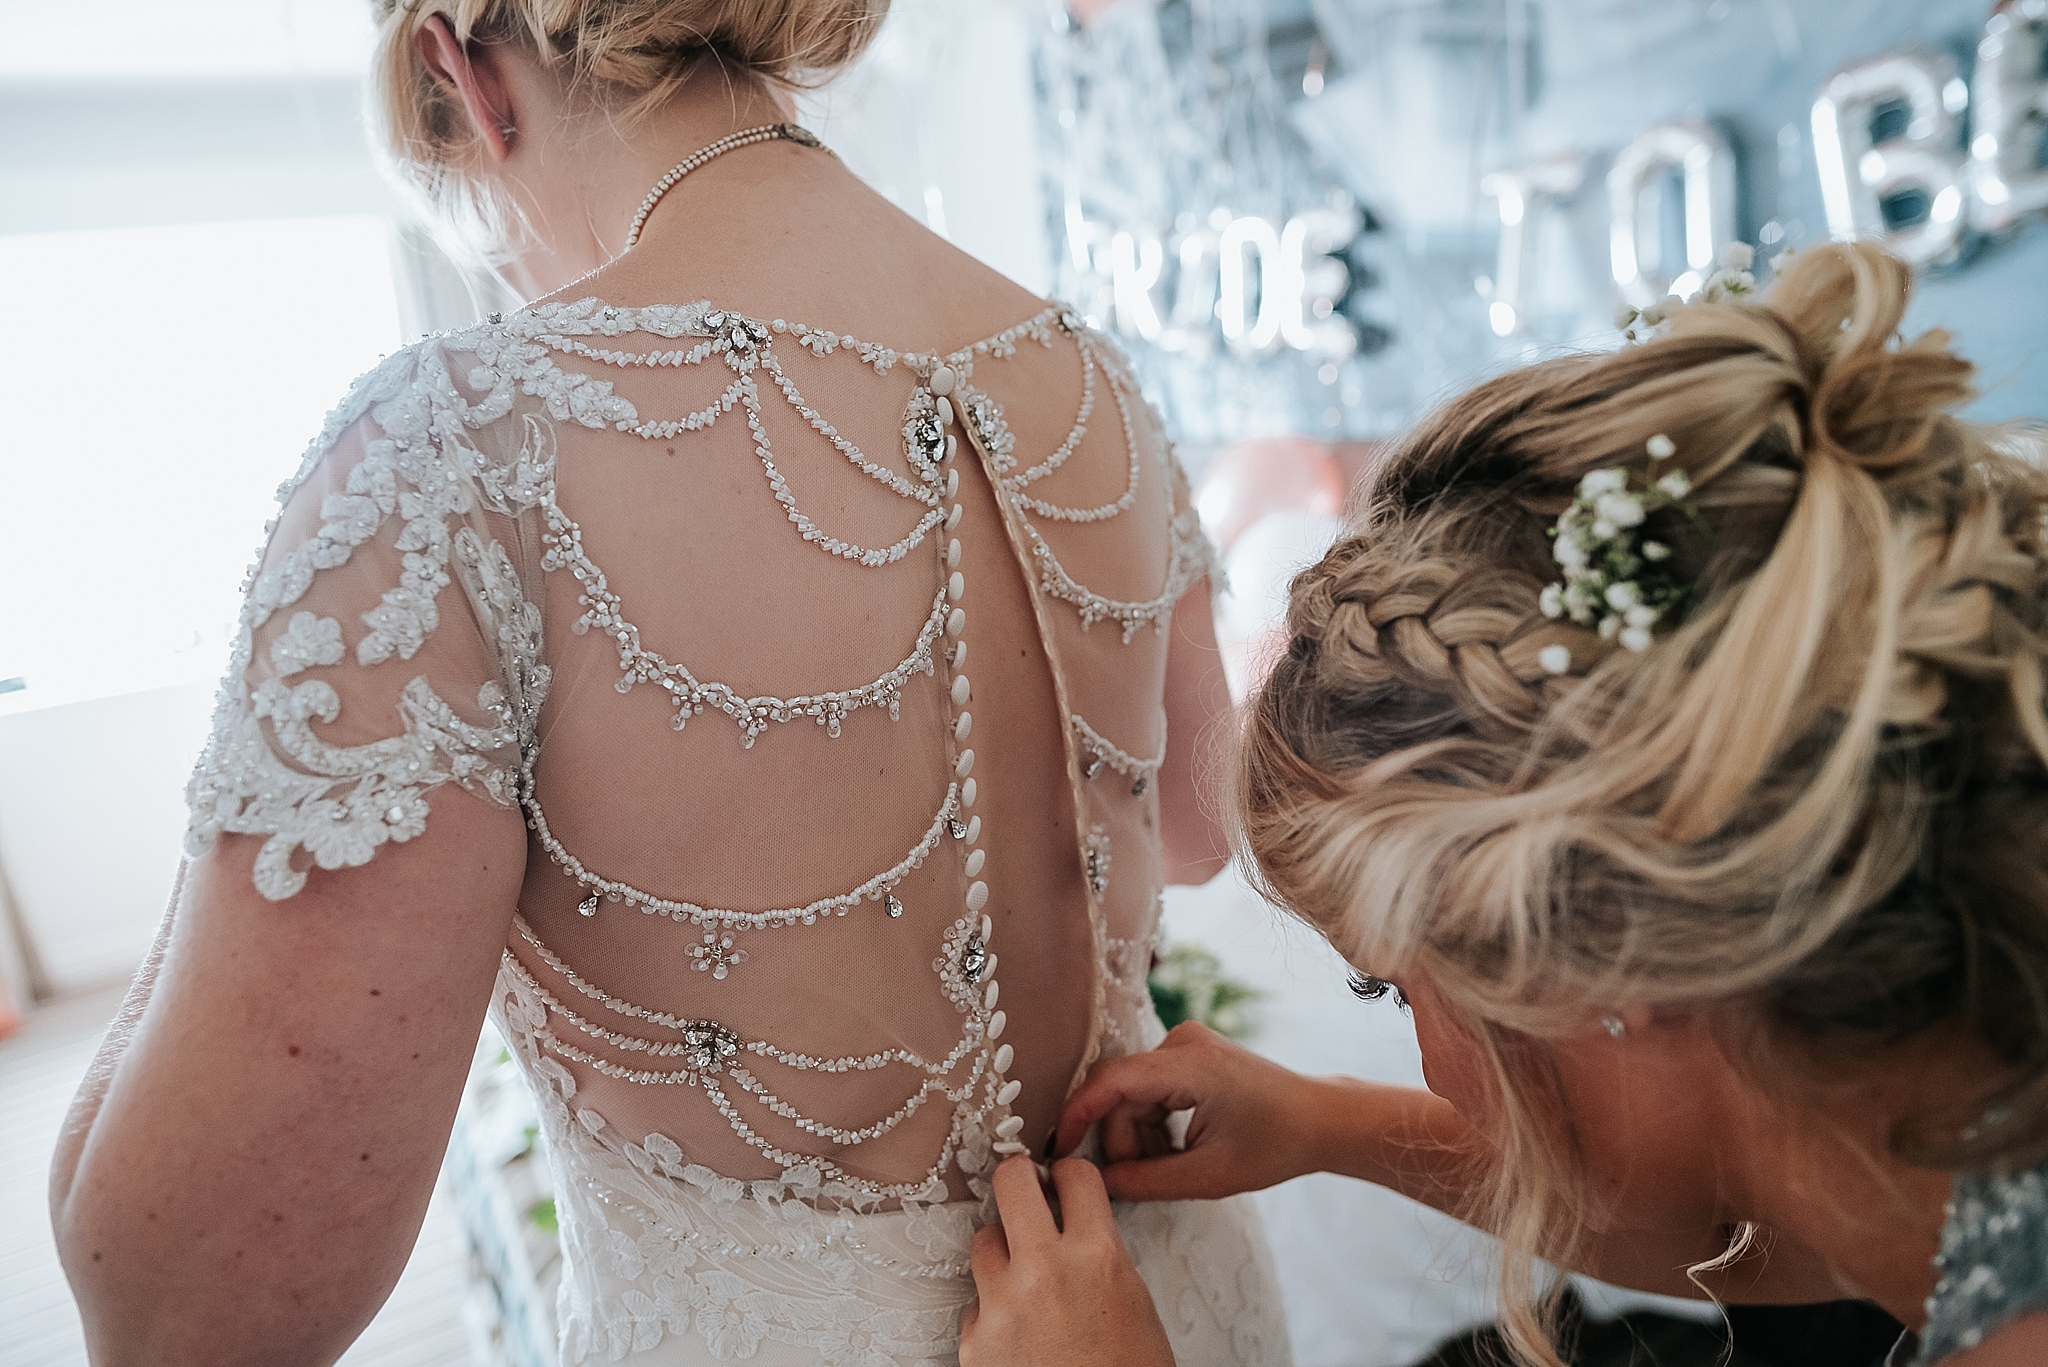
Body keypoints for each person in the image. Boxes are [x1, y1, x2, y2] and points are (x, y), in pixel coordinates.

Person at [46, 4, 1292, 1364]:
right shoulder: (1092, 372)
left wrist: (251, 758)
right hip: (1164, 1299)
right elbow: (1191, 827)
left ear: (460, 71)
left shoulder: (452, 454)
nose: (518, 275)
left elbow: (180, 1302)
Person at [961, 241, 2048, 1367]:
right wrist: (1324, 1122)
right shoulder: (1943, 1133)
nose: (1428, 1060)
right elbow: (1767, 1222)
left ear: (1605, 954)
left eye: (1386, 985)